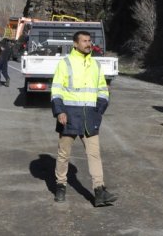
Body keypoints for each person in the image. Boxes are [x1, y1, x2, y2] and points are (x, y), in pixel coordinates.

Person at [51, 30, 117, 207]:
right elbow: (56, 90)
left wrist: (99, 109)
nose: (88, 44)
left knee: (94, 154)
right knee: (64, 154)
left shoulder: (95, 65)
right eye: (84, 41)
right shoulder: (65, 63)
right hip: (69, 115)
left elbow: (103, 90)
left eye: (89, 41)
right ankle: (60, 186)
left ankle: (99, 191)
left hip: (90, 116)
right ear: (75, 44)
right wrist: (59, 112)